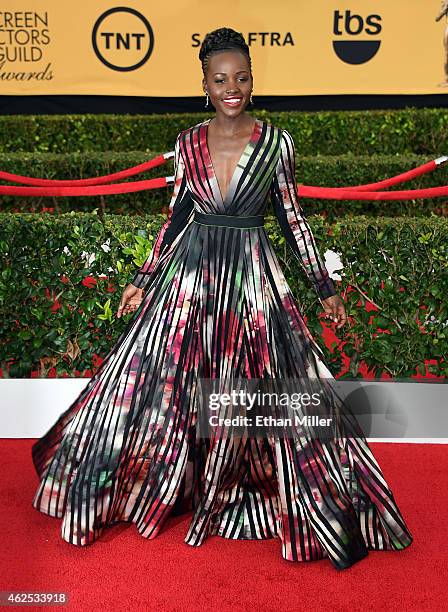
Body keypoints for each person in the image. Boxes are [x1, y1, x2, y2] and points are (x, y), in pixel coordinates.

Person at [31, 27, 413, 570]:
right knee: (159, 382)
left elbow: (291, 218)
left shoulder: (278, 143)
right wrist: (145, 277)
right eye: (220, 79)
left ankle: (248, 481)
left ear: (252, 80)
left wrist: (324, 287)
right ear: (204, 84)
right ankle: (172, 482)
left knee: (273, 386)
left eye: (241, 77)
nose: (232, 87)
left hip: (253, 279)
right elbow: (176, 219)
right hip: (193, 278)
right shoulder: (188, 142)